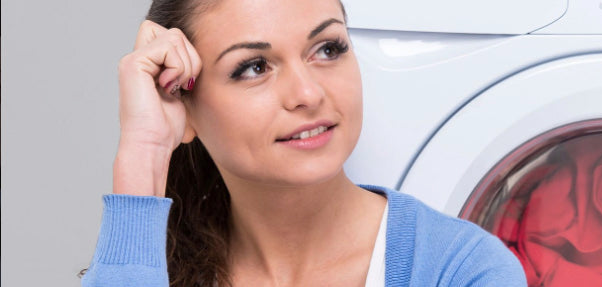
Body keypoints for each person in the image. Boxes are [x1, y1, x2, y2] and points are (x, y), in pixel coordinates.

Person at [80, 0, 526, 286]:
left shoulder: (461, 270)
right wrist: (144, 152)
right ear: (184, 103)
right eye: (254, 67)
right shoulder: (150, 266)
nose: (309, 94)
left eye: (328, 49)